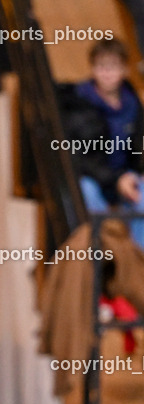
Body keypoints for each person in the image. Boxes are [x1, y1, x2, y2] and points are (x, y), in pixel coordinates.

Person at [63, 38, 144, 247]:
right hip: (96, 178)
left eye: (113, 67)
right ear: (93, 69)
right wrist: (116, 179)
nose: (107, 73)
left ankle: (138, 261)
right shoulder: (79, 104)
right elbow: (81, 159)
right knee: (85, 190)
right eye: (101, 67)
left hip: (125, 176)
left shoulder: (132, 103)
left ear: (125, 69)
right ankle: (103, 255)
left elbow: (138, 148)